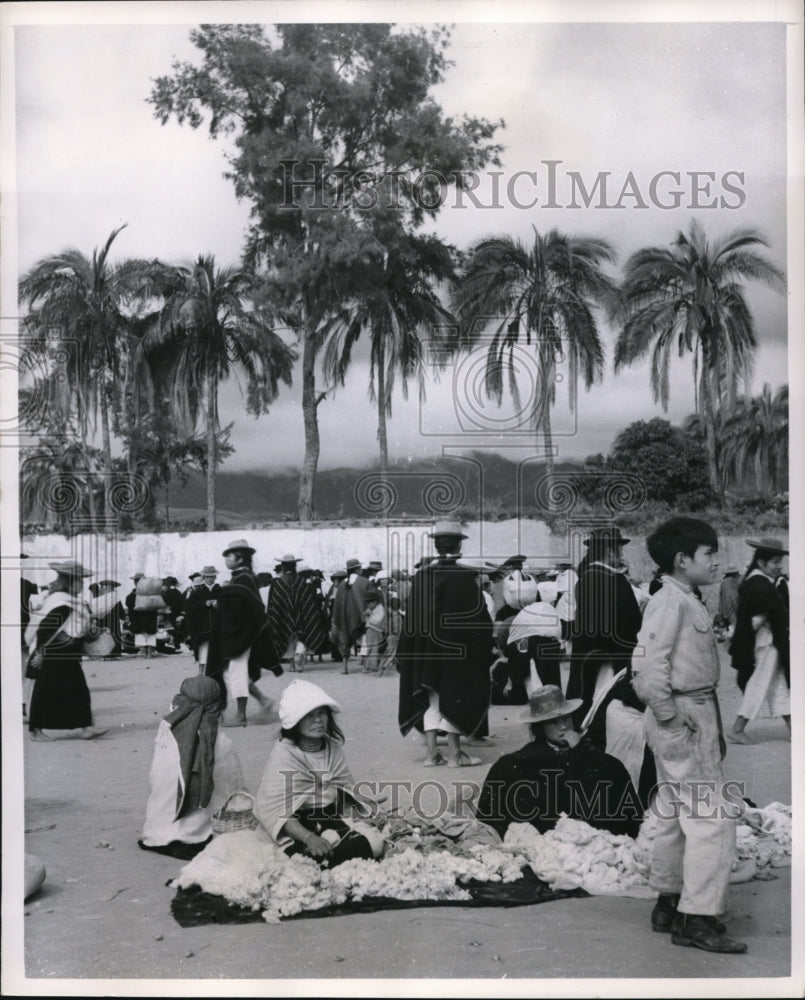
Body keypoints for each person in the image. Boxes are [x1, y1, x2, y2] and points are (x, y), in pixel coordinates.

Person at [632, 516, 746, 954]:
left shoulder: (683, 597)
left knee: (676, 812)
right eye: (708, 554)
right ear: (682, 560)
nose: (716, 562)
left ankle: (670, 900)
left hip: (687, 709)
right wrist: (671, 718)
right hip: (683, 713)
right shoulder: (670, 602)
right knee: (712, 818)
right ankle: (697, 919)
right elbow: (644, 667)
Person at [475, 685, 641, 839]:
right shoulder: (517, 762)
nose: (563, 727)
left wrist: (580, 751)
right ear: (540, 727)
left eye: (566, 719)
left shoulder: (596, 757)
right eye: (553, 722)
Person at [254, 680, 384, 865]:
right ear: (295, 722)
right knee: (303, 861)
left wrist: (362, 803)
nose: (318, 720)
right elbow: (275, 811)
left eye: (322, 713)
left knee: (374, 844)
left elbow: (343, 789)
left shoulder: (332, 749)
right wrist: (309, 838)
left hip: (329, 818)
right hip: (296, 826)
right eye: (309, 715)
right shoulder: (284, 755)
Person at [396, 521, 493, 768]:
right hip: (454, 651)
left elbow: (411, 620)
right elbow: (478, 619)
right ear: (459, 544)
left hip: (425, 651)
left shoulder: (421, 577)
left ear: (437, 545)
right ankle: (455, 754)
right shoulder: (463, 577)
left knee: (432, 699)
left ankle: (431, 755)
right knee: (455, 695)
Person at [139, 675, 247, 860]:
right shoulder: (222, 743)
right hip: (199, 835)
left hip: (155, 833)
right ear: (217, 707)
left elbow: (155, 779)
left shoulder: (165, 735)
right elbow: (237, 789)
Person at [26, 560, 107, 742]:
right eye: (80, 581)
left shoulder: (67, 601)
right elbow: (46, 630)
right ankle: (35, 731)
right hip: (52, 655)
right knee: (45, 691)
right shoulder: (61, 603)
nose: (82, 585)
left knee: (78, 690)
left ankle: (86, 728)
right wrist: (41, 654)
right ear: (70, 582)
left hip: (65, 654)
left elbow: (73, 628)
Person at [568, 527, 642, 722]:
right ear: (610, 551)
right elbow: (631, 623)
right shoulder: (615, 581)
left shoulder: (586, 579)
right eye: (620, 550)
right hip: (612, 659)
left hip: (590, 656)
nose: (622, 554)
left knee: (588, 706)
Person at [728, 538, 790, 744]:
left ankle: (794, 729)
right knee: (760, 684)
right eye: (776, 562)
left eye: (780, 561)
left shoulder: (757, 581)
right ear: (762, 563)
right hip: (766, 645)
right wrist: (740, 638)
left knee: (778, 684)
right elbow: (754, 619)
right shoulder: (760, 585)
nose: (780, 566)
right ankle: (737, 728)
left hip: (769, 644)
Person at [205, 540, 274, 727]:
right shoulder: (241, 578)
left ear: (240, 557)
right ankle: (264, 700)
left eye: (229, 556)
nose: (226, 559)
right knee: (232, 673)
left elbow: (248, 608)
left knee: (236, 672)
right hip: (238, 633)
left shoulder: (243, 578)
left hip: (241, 635)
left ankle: (241, 715)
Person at [265, 554, 327, 673]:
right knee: (300, 638)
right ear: (294, 566)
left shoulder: (277, 583)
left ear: (282, 567)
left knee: (287, 640)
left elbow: (274, 604)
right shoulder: (301, 582)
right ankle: (299, 658)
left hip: (284, 618)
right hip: (301, 617)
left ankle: (292, 664)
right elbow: (308, 602)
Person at [329, 558, 370, 673]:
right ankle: (365, 666)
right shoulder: (364, 582)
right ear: (357, 569)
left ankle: (344, 666)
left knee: (345, 639)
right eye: (360, 568)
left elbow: (338, 605)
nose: (361, 570)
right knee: (364, 640)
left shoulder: (342, 584)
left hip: (344, 618)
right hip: (361, 617)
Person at [185, 566, 221, 674]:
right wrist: (204, 604)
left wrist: (218, 606)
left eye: (212, 577)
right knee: (203, 650)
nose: (210, 579)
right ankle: (201, 672)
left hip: (217, 626)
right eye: (207, 577)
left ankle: (216, 672)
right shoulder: (198, 591)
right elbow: (190, 607)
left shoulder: (220, 590)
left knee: (216, 650)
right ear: (204, 578)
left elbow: (227, 606)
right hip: (202, 627)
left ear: (215, 577)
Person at [360, 587, 387, 673]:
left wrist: (370, 614)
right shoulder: (372, 609)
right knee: (367, 648)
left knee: (374, 649)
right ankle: (367, 666)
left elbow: (377, 621)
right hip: (369, 630)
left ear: (375, 602)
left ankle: (372, 666)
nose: (368, 605)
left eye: (370, 603)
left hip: (376, 631)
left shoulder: (380, 609)